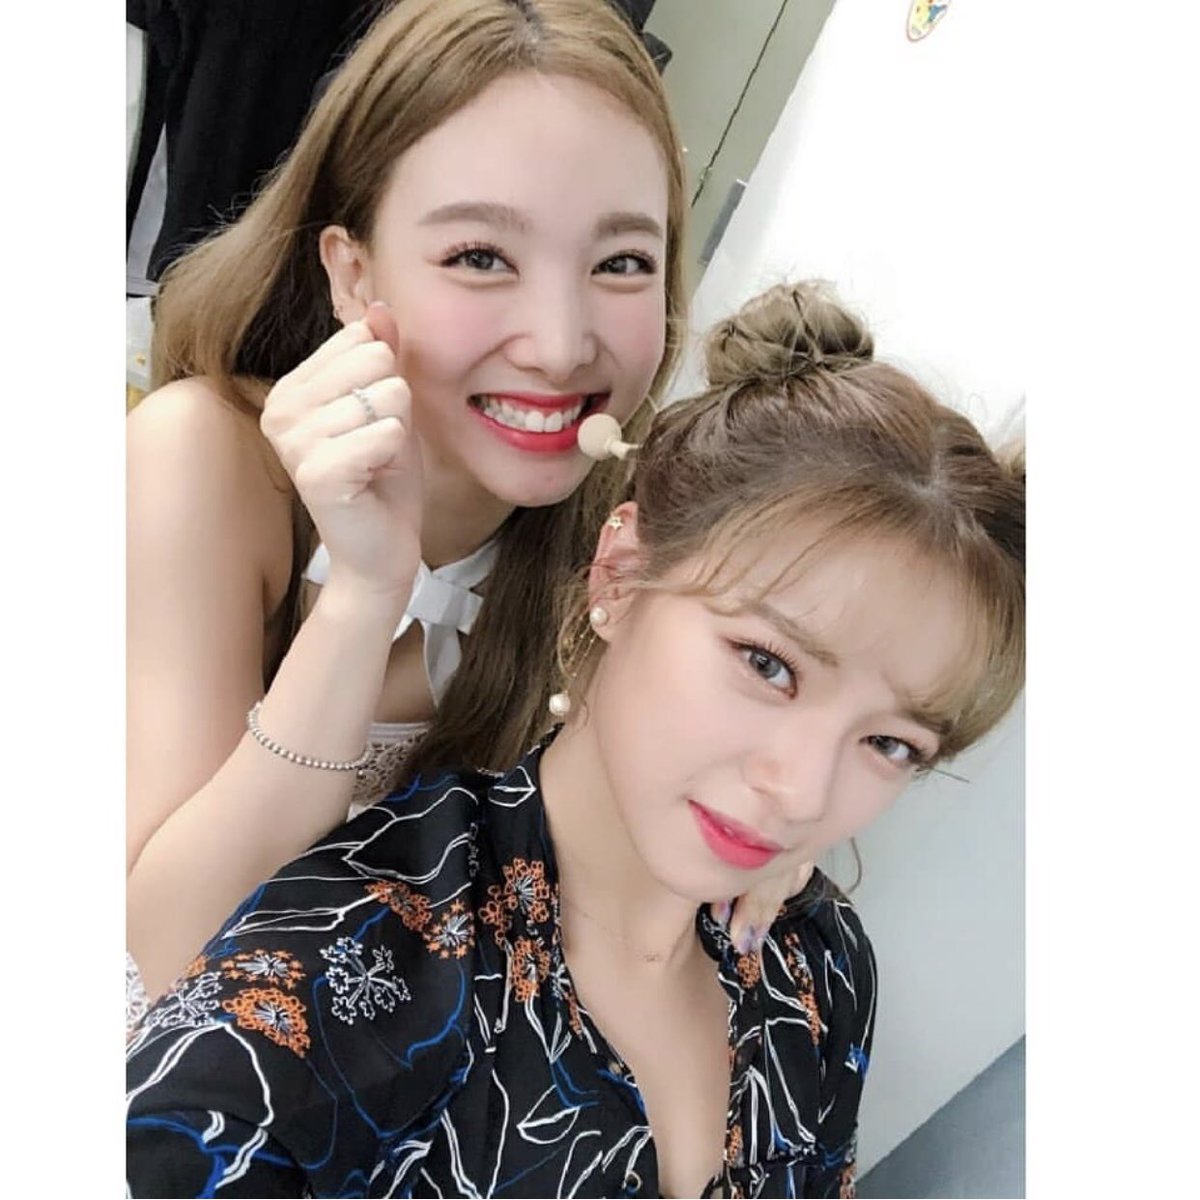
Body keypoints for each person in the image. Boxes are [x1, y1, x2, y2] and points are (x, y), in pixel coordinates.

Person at [125, 280, 1027, 1199]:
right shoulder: (350, 968)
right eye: (767, 665)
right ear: (620, 577)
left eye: (890, 744)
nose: (800, 791)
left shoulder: (822, 969)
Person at [126, 0, 793, 1026]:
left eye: (622, 261)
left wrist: (759, 837)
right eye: (481, 256)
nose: (560, 346)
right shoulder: (205, 460)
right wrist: (364, 596)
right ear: (353, 272)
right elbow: (165, 950)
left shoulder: (628, 537)